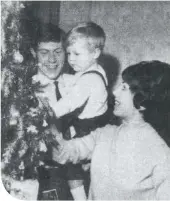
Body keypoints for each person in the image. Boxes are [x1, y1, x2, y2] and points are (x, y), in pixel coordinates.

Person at [51, 60, 170, 200]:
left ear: (142, 101)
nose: (114, 91)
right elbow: (63, 153)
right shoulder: (105, 134)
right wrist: (48, 122)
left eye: (124, 88)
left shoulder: (161, 153)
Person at [42, 22, 109, 200]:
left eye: (77, 54)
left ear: (95, 53)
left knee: (72, 168)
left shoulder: (89, 80)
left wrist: (46, 113)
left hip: (87, 127)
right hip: (95, 125)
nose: (71, 59)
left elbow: (69, 103)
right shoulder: (96, 70)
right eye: (69, 53)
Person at [30, 22, 72, 200]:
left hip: (78, 170)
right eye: (44, 53)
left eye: (58, 51)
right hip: (45, 174)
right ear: (33, 54)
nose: (52, 60)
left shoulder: (77, 84)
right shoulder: (27, 90)